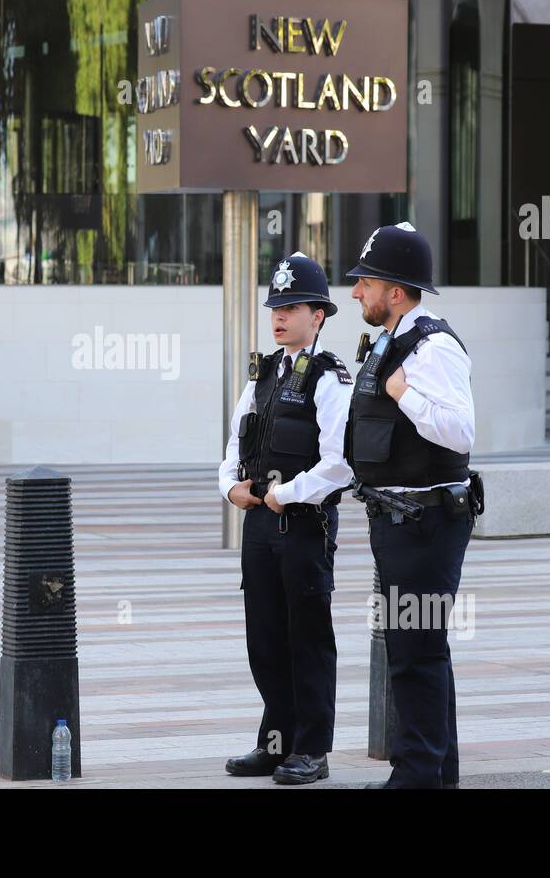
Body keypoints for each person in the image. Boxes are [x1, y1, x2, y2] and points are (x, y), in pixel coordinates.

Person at [342, 221, 479, 789]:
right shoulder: (392, 341)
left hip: (425, 521)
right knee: (422, 648)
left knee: (414, 653)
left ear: (395, 291)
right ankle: (436, 773)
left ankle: (417, 775)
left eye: (365, 283)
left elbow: (460, 430)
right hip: (401, 519)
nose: (355, 293)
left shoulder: (433, 345)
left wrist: (403, 393)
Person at [219, 251, 354, 785]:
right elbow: (236, 440)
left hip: (303, 527)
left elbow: (339, 463)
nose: (279, 316)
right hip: (259, 527)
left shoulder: (330, 376)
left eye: (292, 307)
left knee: (308, 639)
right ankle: (275, 745)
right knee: (265, 640)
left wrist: (288, 494)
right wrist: (230, 485)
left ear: (318, 315)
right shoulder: (264, 371)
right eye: (275, 306)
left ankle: (312, 750)